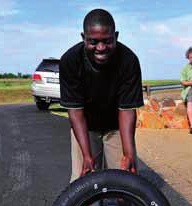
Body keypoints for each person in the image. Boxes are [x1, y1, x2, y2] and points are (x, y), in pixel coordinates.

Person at [59, 9, 144, 182]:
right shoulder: (70, 61)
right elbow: (75, 112)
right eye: (93, 42)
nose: (101, 48)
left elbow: (127, 110)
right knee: (83, 181)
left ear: (116, 36)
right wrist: (87, 156)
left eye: (107, 41)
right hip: (86, 126)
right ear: (84, 37)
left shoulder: (128, 60)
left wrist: (128, 154)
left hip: (116, 127)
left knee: (126, 179)